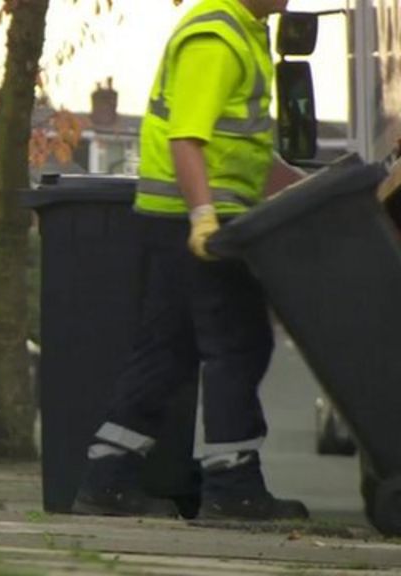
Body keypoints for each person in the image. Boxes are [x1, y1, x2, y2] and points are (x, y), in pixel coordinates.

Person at [71, 0, 310, 521]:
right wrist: (203, 216)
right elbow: (187, 138)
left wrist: (311, 189)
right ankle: (232, 485)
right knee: (239, 344)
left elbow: (242, 147)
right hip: (202, 225)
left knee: (168, 352)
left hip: (181, 220)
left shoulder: (243, 30)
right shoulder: (217, 37)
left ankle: (107, 477)